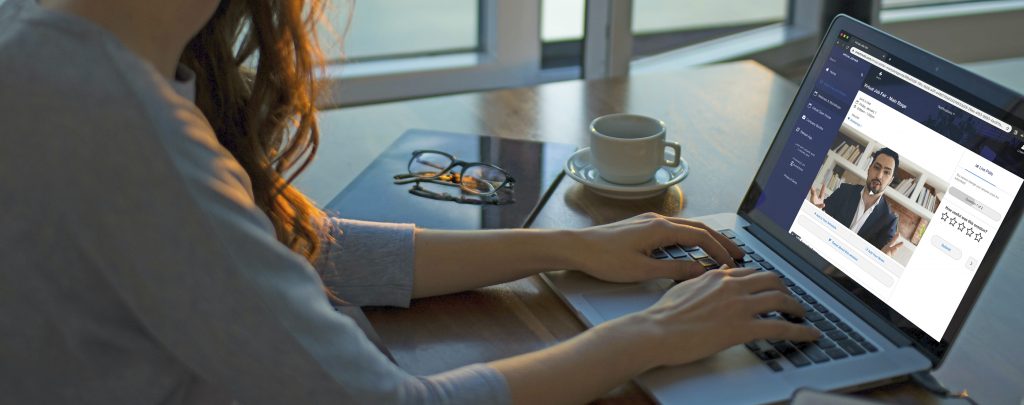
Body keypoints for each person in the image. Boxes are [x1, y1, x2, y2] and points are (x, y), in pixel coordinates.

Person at [0, 0, 819, 403]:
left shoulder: (50, 49)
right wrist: (648, 334)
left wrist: (564, 249)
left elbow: (293, 247)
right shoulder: (114, 120)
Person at [810, 148, 901, 251]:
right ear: (869, 169)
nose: (879, 175)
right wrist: (813, 210)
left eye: (886, 172)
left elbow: (879, 255)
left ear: (891, 180)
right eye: (876, 167)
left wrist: (882, 259)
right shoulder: (844, 191)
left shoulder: (890, 220)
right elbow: (818, 221)